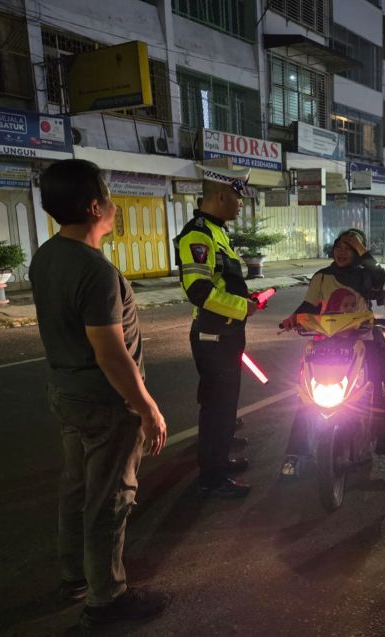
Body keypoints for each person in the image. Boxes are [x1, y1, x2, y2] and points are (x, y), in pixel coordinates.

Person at [30, 159, 169, 628]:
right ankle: (106, 598)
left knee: (75, 488)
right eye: (109, 198)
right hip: (105, 402)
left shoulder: (45, 256)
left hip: (66, 393)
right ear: (95, 208)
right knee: (110, 498)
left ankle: (73, 577)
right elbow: (110, 352)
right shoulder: (95, 270)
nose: (113, 206)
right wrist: (146, 406)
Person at [280, 229, 385, 481]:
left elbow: (380, 278)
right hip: (325, 341)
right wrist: (292, 318)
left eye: (349, 247)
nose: (342, 251)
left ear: (359, 252)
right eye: (339, 246)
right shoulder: (322, 277)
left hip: (361, 340)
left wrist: (363, 251)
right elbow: (309, 306)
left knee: (375, 400)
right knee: (306, 396)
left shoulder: (365, 276)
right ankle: (294, 454)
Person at [176, 165, 258, 499]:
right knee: (216, 407)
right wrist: (243, 308)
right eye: (238, 196)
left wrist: (246, 299)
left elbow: (225, 281)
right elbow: (199, 291)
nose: (241, 203)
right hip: (214, 336)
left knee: (225, 404)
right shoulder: (199, 235)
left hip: (225, 334)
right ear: (222, 195)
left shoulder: (216, 231)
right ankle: (212, 477)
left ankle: (220, 459)